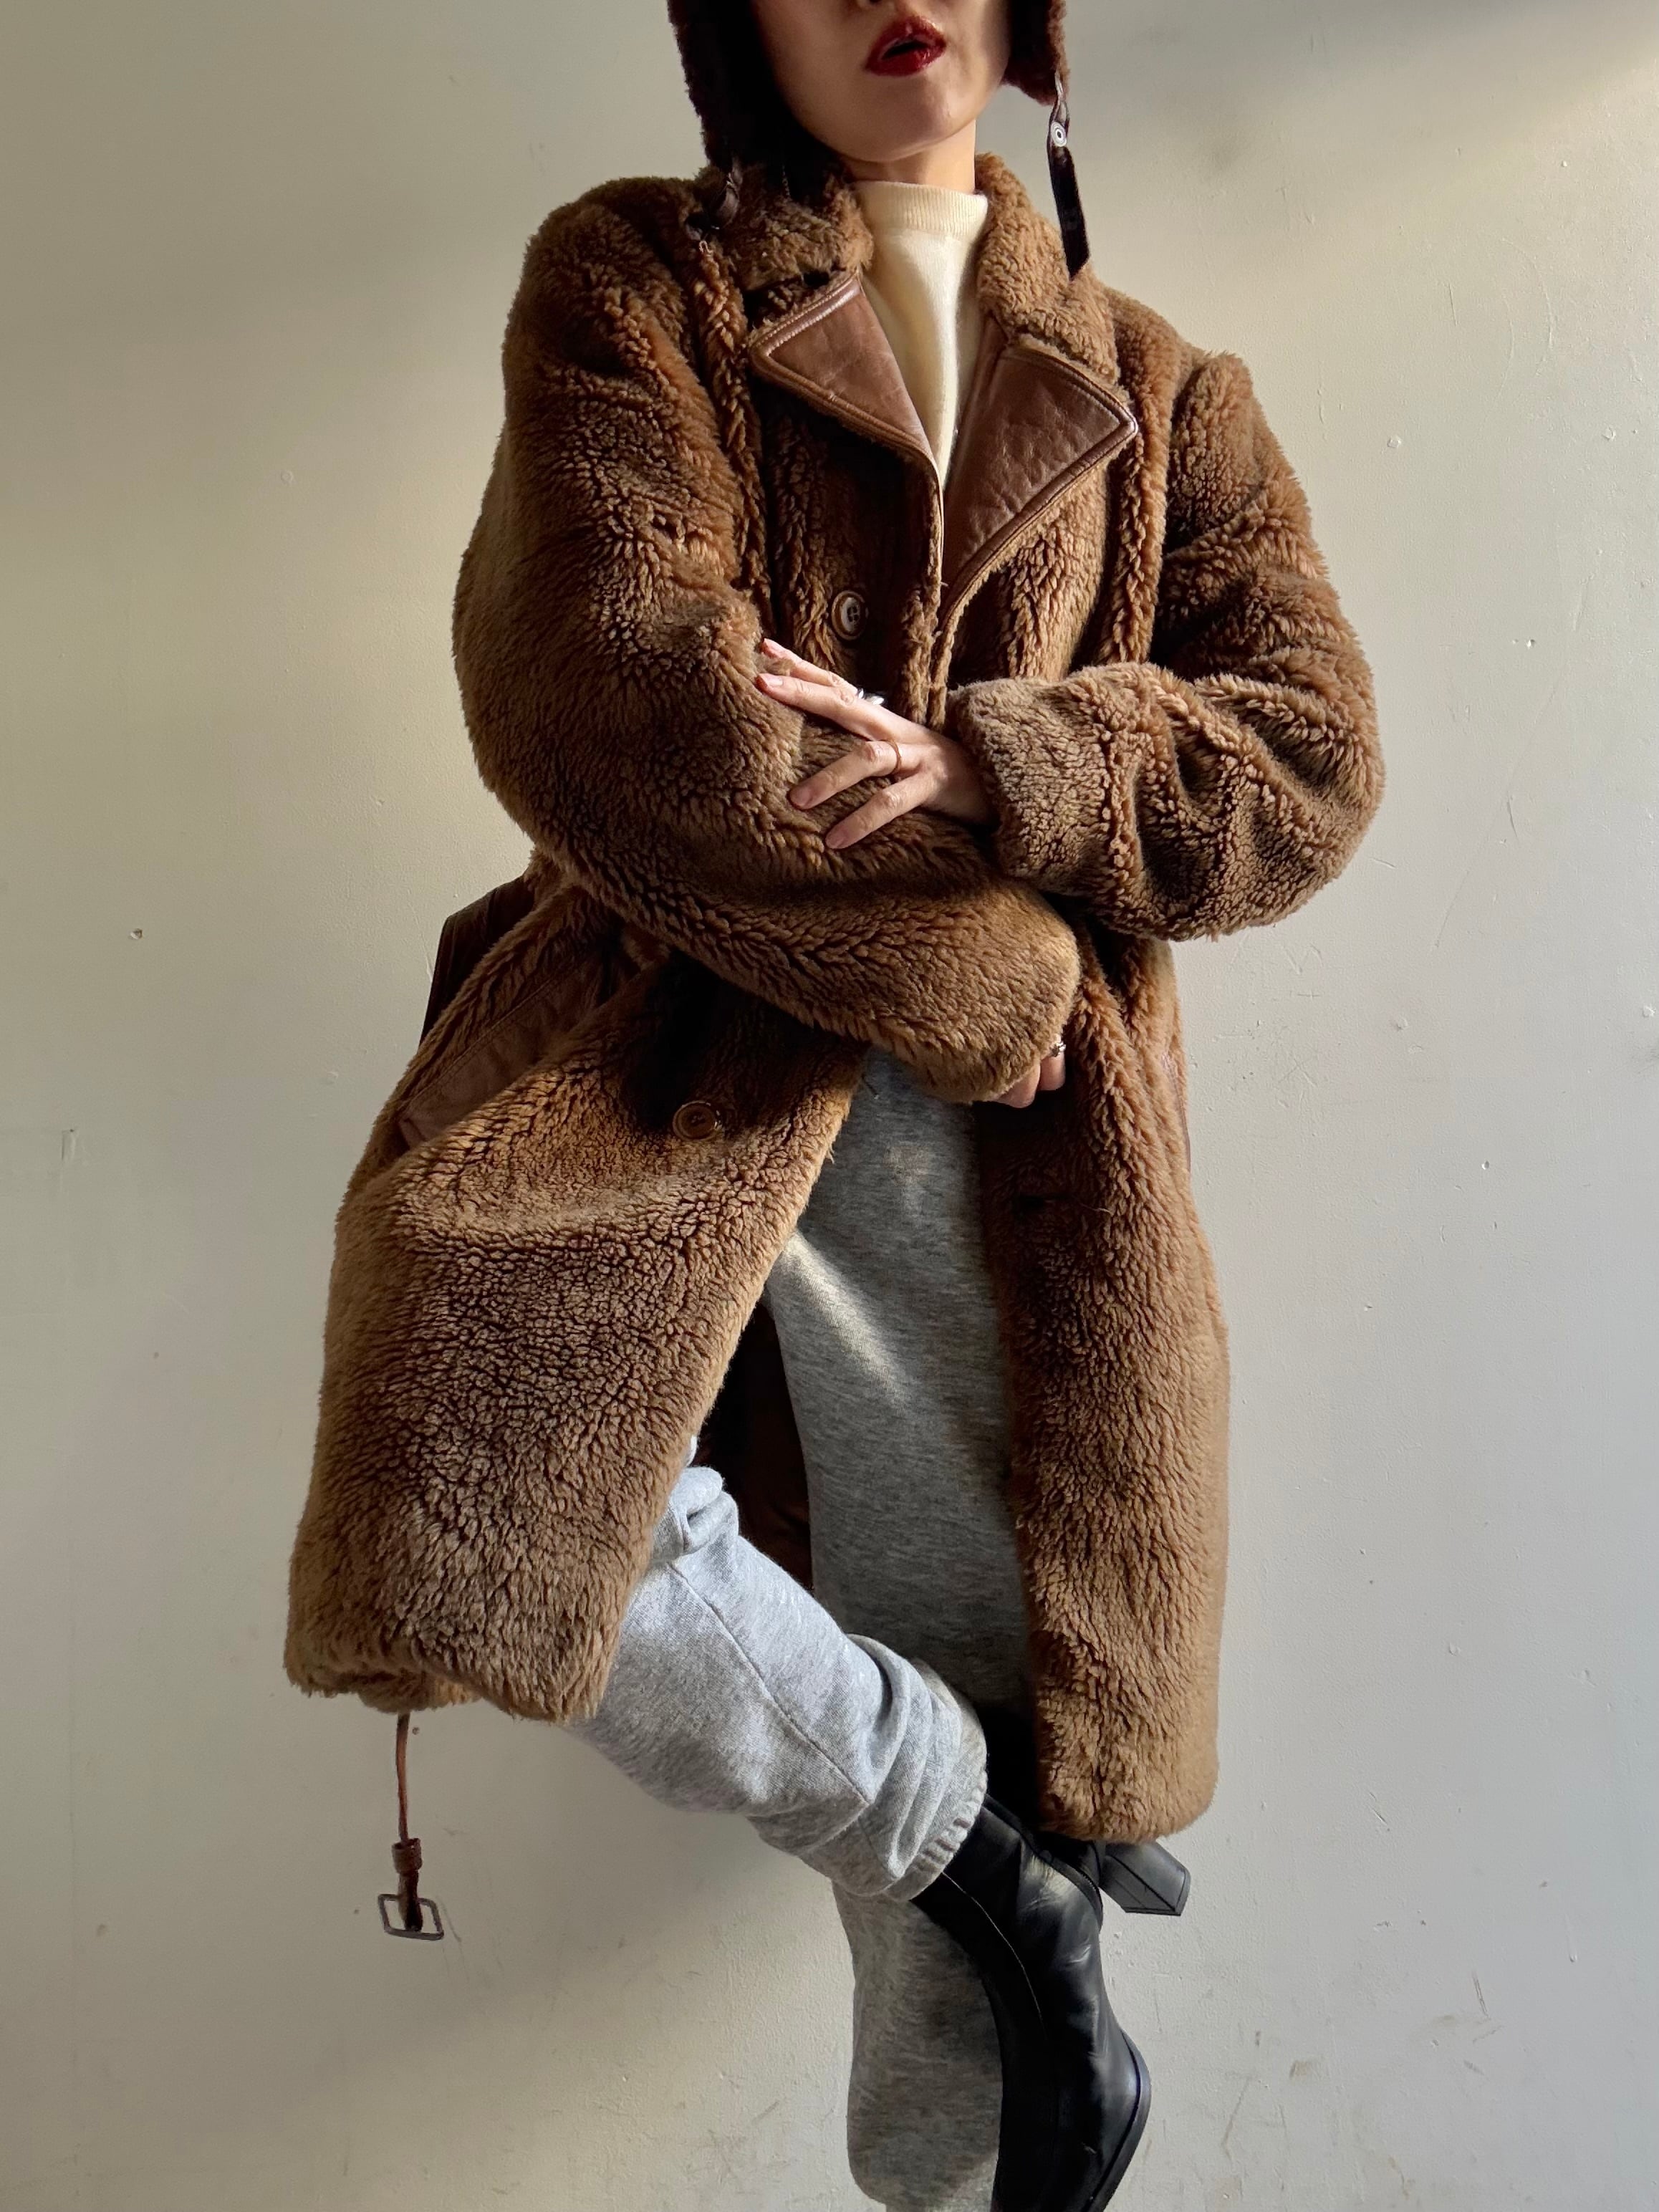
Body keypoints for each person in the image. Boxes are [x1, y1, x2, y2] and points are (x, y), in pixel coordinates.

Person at [285, 2, 1382, 2206]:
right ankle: (956, 1829)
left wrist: (1001, 758)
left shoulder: (1168, 390)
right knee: (494, 1507)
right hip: (662, 1068)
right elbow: (608, 688)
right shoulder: (639, 283)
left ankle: (977, 2083)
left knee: (977, 1689)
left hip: (1019, 1164)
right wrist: (971, 959)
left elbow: (1304, 763)